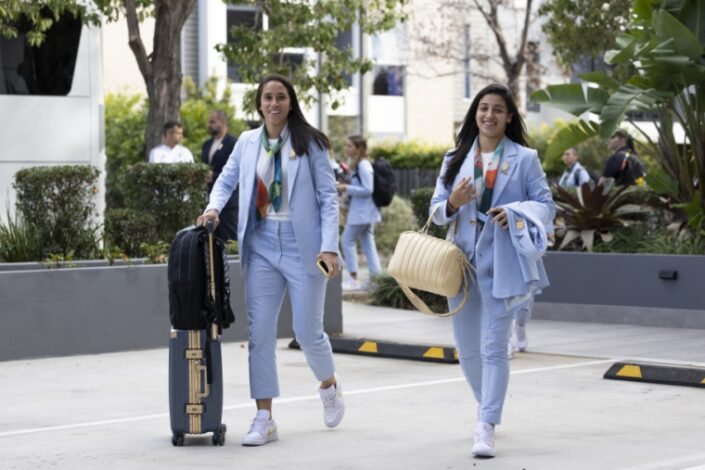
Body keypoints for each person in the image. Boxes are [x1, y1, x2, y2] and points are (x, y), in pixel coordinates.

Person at [197, 74, 344, 447]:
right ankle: (264, 416)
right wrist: (213, 208)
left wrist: (329, 246)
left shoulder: (310, 144)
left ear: (290, 103)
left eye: (280, 97)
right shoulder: (248, 142)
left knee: (307, 333)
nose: (274, 103)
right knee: (259, 333)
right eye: (267, 97)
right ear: (259, 104)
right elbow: (226, 180)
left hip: (304, 247)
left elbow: (328, 198)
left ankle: (328, 385)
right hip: (261, 243)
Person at [429, 84, 554, 458]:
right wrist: (452, 202)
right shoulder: (455, 157)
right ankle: (488, 406)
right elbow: (435, 213)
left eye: (498, 110)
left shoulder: (525, 158)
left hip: (504, 261)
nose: (489, 115)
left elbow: (546, 206)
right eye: (483, 108)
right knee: (467, 350)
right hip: (460, 263)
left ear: (509, 117)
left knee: (494, 347)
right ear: (475, 114)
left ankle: (485, 424)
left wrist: (515, 212)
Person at [337, 135, 382, 291]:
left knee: (346, 240)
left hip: (362, 213)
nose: (347, 148)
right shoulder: (358, 165)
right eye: (347, 145)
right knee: (368, 245)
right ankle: (377, 281)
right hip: (364, 212)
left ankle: (353, 278)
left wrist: (345, 188)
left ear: (359, 148)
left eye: (350, 146)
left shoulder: (363, 165)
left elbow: (368, 189)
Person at [201, 110, 238, 241]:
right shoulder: (206, 145)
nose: (209, 125)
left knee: (229, 240)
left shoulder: (234, 143)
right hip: (210, 199)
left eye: (212, 122)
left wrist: (214, 176)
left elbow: (237, 173)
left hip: (229, 204)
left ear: (222, 123)